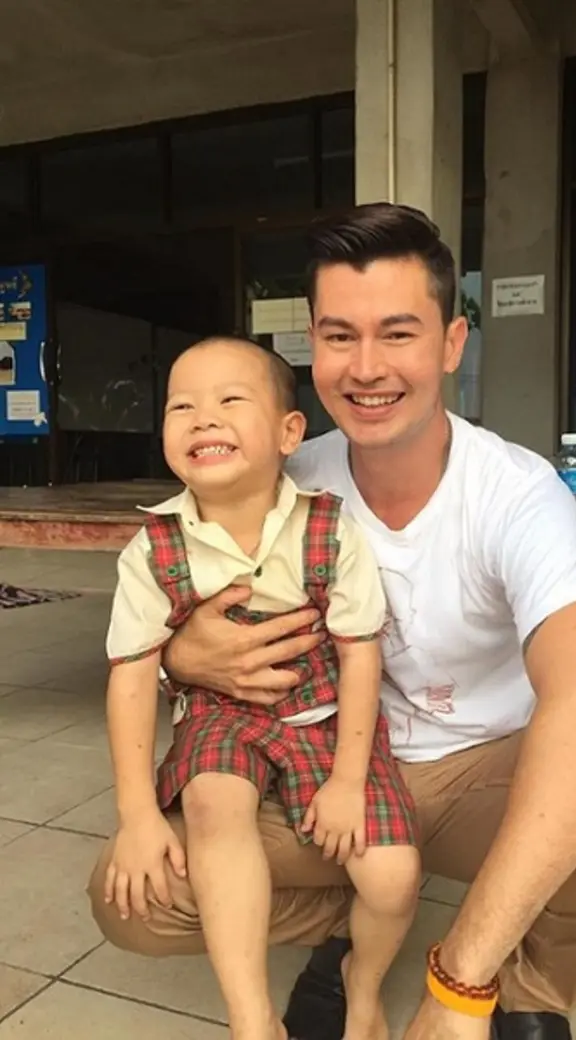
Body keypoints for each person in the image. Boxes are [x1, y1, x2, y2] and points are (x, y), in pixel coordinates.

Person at [89, 204, 576, 1040]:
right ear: (313, 344)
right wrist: (180, 659)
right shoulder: (283, 476)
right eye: (340, 336)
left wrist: (458, 987)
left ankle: (523, 985)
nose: (366, 368)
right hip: (324, 758)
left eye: (398, 334)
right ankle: (353, 930)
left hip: (483, 772)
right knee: (137, 896)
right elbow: (169, 596)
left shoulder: (516, 493)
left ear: (451, 343)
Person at [101, 336, 420, 1040]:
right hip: (221, 712)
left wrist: (348, 778)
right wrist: (137, 815)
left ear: (288, 433)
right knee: (213, 808)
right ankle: (252, 1018)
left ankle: (362, 984)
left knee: (394, 876)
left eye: (230, 400)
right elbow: (130, 677)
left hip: (325, 712)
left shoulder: (329, 528)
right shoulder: (153, 548)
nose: (204, 418)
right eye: (182, 406)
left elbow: (359, 657)